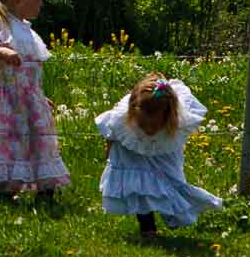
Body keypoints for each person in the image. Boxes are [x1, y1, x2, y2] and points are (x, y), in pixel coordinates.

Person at [0, 0, 70, 198]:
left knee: (38, 142)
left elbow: (33, 72)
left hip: (32, 101)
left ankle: (45, 188)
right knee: (9, 143)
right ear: (17, 0)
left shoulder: (29, 33)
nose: (41, 3)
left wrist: (39, 95)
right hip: (8, 101)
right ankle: (6, 186)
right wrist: (0, 52)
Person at [95, 73, 222, 237]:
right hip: (132, 156)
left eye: (155, 126)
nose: (149, 130)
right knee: (139, 189)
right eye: (143, 125)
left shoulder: (176, 118)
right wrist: (109, 152)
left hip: (163, 152)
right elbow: (110, 132)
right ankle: (147, 228)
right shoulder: (122, 118)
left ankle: (174, 216)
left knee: (171, 185)